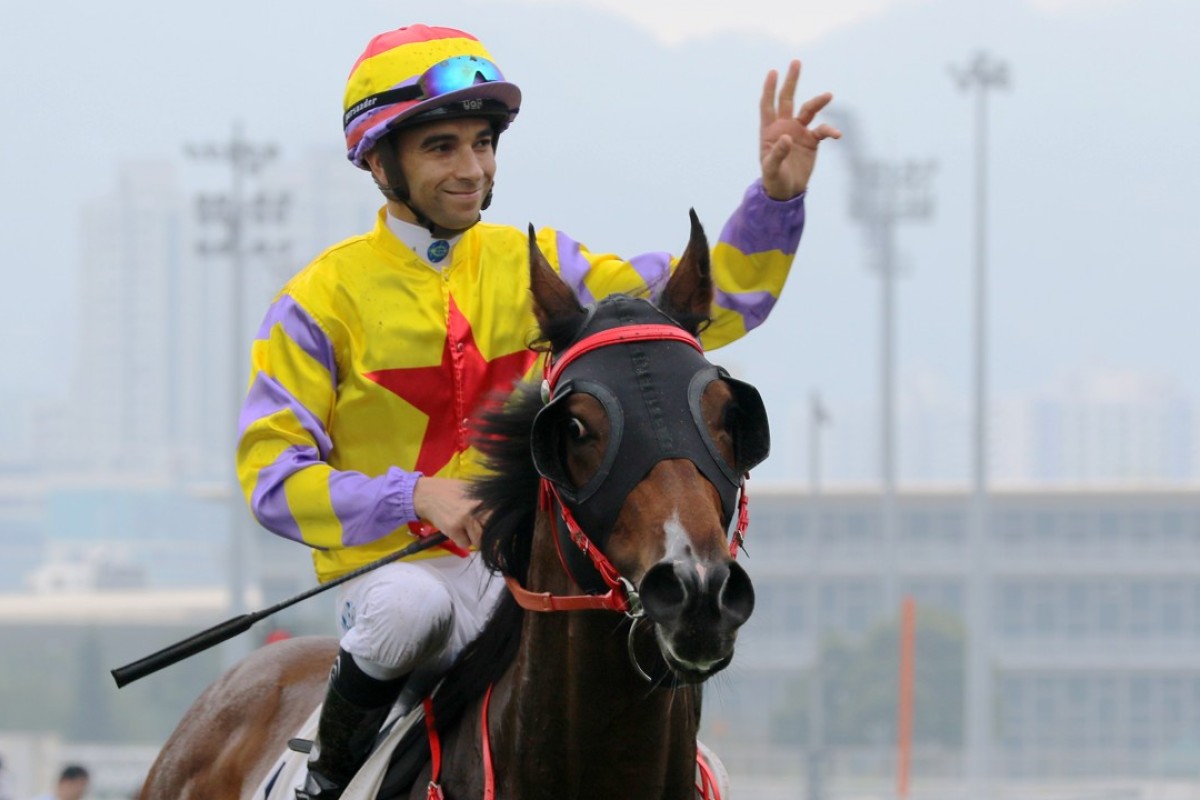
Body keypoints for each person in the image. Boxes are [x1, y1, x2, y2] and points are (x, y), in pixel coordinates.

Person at [235, 23, 839, 800]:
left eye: (483, 143)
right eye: (441, 147)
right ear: (382, 163)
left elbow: (708, 309)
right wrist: (414, 494)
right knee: (408, 609)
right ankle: (324, 781)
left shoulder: (552, 267)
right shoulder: (317, 304)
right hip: (395, 578)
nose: (472, 167)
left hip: (520, 572)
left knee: (646, 662)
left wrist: (775, 199)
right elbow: (270, 480)